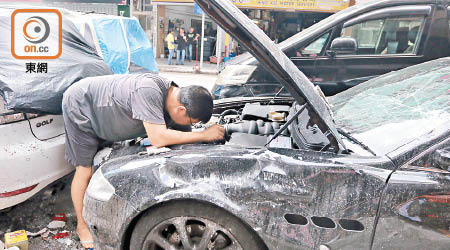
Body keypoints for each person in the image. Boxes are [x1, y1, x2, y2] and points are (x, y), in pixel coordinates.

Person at [62, 73, 224, 249]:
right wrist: (204, 135)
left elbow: (183, 137)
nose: (192, 125)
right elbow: (158, 138)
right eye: (193, 121)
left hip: (108, 114)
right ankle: (82, 226)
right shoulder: (148, 91)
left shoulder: (175, 97)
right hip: (82, 105)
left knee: (105, 159)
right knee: (85, 169)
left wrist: (201, 138)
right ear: (181, 110)